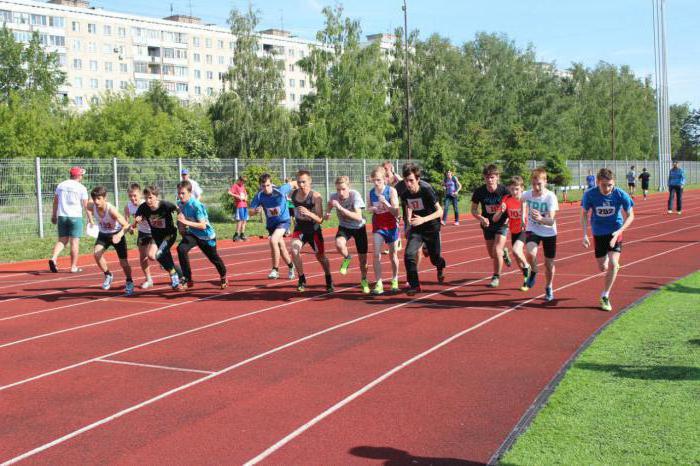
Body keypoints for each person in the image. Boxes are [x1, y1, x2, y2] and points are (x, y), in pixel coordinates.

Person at [581, 168, 635, 311]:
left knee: (613, 262)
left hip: (615, 232)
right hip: (598, 233)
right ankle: (611, 267)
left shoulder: (620, 194)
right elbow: (584, 214)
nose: (607, 188)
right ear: (597, 182)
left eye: (610, 185)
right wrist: (584, 234)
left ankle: (605, 295)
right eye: (604, 185)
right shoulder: (590, 195)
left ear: (614, 183)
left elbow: (631, 215)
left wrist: (619, 231)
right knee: (602, 267)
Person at [400, 164, 446, 296]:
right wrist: (408, 225)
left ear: (417, 179)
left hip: (431, 228)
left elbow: (440, 212)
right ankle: (414, 285)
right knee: (409, 255)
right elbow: (408, 207)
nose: (408, 184)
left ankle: (440, 265)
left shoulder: (426, 191)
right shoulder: (405, 195)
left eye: (411, 180)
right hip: (417, 228)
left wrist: (423, 219)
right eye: (406, 181)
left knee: (434, 258)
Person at [176, 180, 227, 290]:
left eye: (183, 193)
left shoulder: (196, 205)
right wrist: (181, 227)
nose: (180, 196)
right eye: (179, 193)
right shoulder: (180, 204)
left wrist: (186, 223)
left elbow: (203, 226)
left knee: (214, 259)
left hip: (206, 235)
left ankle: (223, 276)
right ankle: (187, 279)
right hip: (193, 233)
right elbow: (180, 218)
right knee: (181, 249)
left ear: (190, 193)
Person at [290, 170, 333, 293]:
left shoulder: (315, 196)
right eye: (299, 182)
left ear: (310, 181)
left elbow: (320, 219)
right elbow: (292, 210)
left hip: (313, 230)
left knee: (320, 256)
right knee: (294, 250)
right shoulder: (293, 195)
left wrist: (308, 213)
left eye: (303, 182)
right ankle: (302, 279)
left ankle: (328, 278)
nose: (301, 185)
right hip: (300, 229)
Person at [325, 176, 370, 294]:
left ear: (349, 188)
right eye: (338, 189)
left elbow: (358, 216)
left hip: (359, 227)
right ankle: (347, 258)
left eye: (343, 189)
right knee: (339, 244)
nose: (341, 192)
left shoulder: (355, 195)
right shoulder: (334, 196)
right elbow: (330, 204)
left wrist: (340, 207)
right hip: (344, 227)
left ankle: (364, 279)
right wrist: (328, 212)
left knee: (363, 260)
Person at [87, 186, 134, 296]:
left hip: (116, 234)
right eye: (94, 199)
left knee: (123, 263)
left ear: (105, 198)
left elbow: (126, 225)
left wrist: (119, 234)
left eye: (99, 198)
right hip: (103, 234)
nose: (96, 201)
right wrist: (90, 219)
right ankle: (108, 274)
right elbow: (85, 203)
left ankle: (129, 281)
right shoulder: (91, 206)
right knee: (96, 253)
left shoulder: (111, 210)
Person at [134, 186, 183, 290]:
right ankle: (180, 274)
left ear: (156, 197)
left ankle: (174, 275)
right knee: (152, 255)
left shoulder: (165, 205)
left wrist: (181, 221)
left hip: (169, 235)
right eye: (146, 198)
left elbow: (178, 209)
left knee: (159, 254)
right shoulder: (143, 207)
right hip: (156, 237)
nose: (148, 200)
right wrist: (136, 221)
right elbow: (138, 218)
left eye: (150, 197)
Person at [471, 164, 512, 288]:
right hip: (487, 224)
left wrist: (509, 218)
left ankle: (496, 276)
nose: (490, 180)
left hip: (502, 224)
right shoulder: (479, 191)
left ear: (497, 177)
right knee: (492, 254)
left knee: (497, 250)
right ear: (484, 178)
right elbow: (473, 210)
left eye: (492, 177)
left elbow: (514, 206)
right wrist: (481, 218)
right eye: (487, 177)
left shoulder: (504, 191)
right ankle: (504, 252)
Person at [521, 168, 559, 302]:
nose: (536, 187)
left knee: (549, 264)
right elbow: (517, 198)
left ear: (545, 182)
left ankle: (548, 286)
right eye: (534, 184)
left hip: (549, 232)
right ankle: (534, 270)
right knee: (530, 253)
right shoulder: (527, 194)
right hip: (533, 229)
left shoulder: (550, 197)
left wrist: (541, 219)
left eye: (539, 184)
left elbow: (551, 221)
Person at [249, 174, 296, 280]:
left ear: (271, 183)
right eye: (263, 186)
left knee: (273, 240)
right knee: (282, 248)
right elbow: (250, 212)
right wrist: (255, 211)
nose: (266, 188)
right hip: (272, 225)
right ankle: (291, 267)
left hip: (284, 221)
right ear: (260, 186)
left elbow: (294, 183)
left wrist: (299, 195)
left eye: (268, 185)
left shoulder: (280, 190)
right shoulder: (259, 196)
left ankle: (275, 270)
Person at [493, 176, 530, 291]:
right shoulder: (506, 199)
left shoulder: (526, 199)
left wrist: (525, 219)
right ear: (509, 189)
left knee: (516, 250)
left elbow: (527, 211)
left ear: (522, 189)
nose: (514, 192)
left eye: (517, 189)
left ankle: (528, 266)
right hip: (514, 231)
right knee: (517, 257)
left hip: (525, 229)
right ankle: (526, 279)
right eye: (512, 189)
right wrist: (501, 211)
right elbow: (494, 219)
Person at [367, 167, 401, 295]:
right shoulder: (371, 192)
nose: (376, 183)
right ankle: (379, 283)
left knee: (393, 255)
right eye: (374, 180)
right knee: (376, 254)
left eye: (379, 180)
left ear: (385, 179)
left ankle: (395, 279)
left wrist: (385, 203)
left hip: (391, 225)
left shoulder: (391, 191)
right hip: (378, 226)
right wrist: (373, 208)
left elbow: (396, 212)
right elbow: (368, 208)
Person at [49, 166, 89, 273]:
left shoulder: (61, 185)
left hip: (62, 216)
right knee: (74, 242)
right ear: (78, 175)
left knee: (62, 240)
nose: (82, 176)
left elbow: (56, 202)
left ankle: (53, 258)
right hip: (75, 217)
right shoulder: (81, 188)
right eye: (81, 174)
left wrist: (54, 215)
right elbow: (86, 205)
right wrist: (90, 219)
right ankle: (73, 267)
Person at [124, 183, 153, 289]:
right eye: (130, 196)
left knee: (152, 256)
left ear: (140, 194)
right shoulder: (128, 206)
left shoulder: (147, 204)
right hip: (143, 232)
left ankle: (166, 262)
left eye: (135, 195)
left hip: (154, 231)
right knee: (143, 257)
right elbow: (126, 222)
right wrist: (129, 228)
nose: (132, 198)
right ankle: (149, 279)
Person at [228, 176, 249, 241]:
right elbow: (229, 192)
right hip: (239, 205)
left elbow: (245, 194)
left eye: (244, 182)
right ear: (239, 180)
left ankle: (242, 234)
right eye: (242, 181)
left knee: (244, 220)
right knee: (240, 220)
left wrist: (246, 197)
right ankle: (236, 235)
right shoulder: (235, 185)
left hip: (245, 205)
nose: (243, 183)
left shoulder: (243, 186)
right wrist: (237, 196)